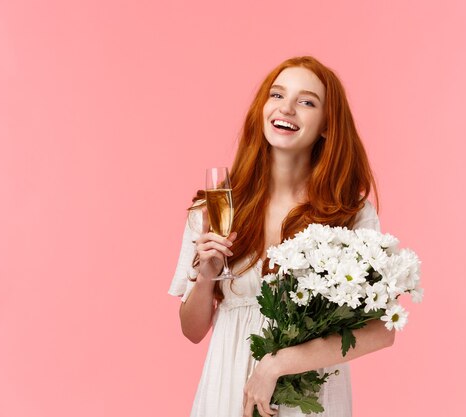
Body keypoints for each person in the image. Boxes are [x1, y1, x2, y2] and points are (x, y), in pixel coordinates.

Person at [169, 56, 395, 417]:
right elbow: (192, 331)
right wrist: (206, 275)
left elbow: (382, 330)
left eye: (306, 102)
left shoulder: (350, 214)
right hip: (227, 388)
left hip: (310, 398)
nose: (286, 108)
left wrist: (277, 364)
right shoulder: (213, 209)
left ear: (326, 126)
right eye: (277, 95)